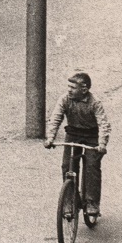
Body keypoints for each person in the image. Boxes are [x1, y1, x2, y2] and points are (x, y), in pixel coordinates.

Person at [44, 72, 111, 216]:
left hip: (92, 137)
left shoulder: (95, 103)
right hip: (73, 135)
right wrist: (50, 138)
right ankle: (70, 202)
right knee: (67, 167)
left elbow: (104, 124)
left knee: (92, 167)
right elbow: (55, 118)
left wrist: (102, 144)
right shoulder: (65, 99)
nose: (69, 90)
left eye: (73, 87)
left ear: (84, 90)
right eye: (68, 86)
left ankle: (92, 203)